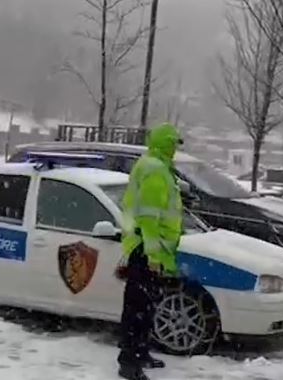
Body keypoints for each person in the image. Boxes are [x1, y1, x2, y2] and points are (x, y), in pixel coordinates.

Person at [117, 123, 184, 380]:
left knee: (145, 307)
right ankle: (128, 362)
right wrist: (154, 256)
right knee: (138, 308)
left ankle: (140, 353)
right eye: (173, 144)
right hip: (146, 250)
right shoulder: (156, 170)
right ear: (165, 143)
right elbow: (148, 218)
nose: (175, 149)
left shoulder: (155, 165)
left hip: (147, 248)